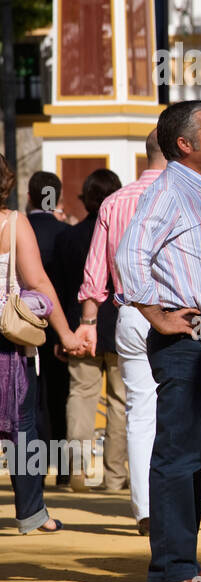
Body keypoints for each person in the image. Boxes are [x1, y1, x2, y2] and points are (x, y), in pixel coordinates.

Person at [77, 129, 201, 535]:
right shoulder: (189, 194)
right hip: (174, 311)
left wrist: (87, 321)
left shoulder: (115, 202)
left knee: (140, 411)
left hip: (130, 313)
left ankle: (148, 511)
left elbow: (96, 270)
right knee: (190, 407)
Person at [116, 100, 201, 582]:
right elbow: (129, 256)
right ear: (185, 145)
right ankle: (170, 570)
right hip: (183, 341)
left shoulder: (198, 190)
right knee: (177, 454)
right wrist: (158, 317)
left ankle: (181, 565)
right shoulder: (170, 190)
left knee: (193, 451)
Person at [0, 154, 84, 532]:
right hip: (8, 339)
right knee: (22, 426)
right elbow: (37, 282)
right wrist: (65, 333)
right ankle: (32, 513)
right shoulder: (13, 223)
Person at [54, 167, 126, 491]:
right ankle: (114, 475)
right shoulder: (126, 233)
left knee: (80, 396)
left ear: (85, 198)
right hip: (120, 325)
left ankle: (78, 471)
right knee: (121, 401)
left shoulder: (67, 237)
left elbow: (58, 286)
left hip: (79, 325)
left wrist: (61, 332)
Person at [26, 170, 71, 484]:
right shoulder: (66, 234)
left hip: (21, 326)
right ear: (57, 197)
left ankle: (33, 472)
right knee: (61, 398)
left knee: (28, 399)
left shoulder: (18, 230)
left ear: (30, 196)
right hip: (60, 326)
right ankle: (65, 470)